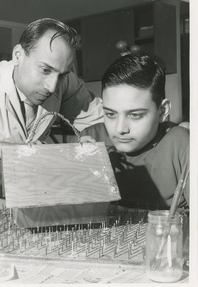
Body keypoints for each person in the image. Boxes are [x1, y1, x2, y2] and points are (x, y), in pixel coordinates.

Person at [0, 18, 103, 198]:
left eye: (62, 75)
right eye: (45, 70)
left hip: (27, 194)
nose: (52, 87)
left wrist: (85, 143)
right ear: (18, 55)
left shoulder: (65, 82)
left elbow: (103, 119)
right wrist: (5, 150)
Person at [79, 53, 189, 210]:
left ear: (162, 111)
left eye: (135, 115)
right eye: (110, 114)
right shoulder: (90, 140)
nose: (120, 129)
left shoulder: (180, 143)